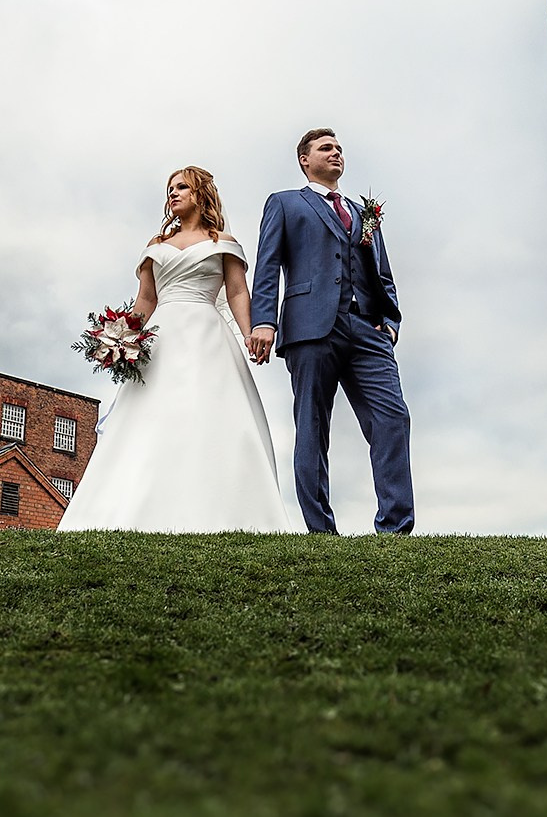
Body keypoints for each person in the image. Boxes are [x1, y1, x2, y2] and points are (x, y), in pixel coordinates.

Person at [57, 167, 302, 533]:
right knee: (150, 418)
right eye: (170, 189)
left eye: (181, 187)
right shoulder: (155, 246)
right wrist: (121, 340)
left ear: (200, 193)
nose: (173, 194)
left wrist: (251, 334)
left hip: (208, 333)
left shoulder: (223, 242)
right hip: (161, 337)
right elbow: (146, 299)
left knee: (211, 414)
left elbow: (236, 292)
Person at [248, 129, 415, 534]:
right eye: (326, 148)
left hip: (368, 331)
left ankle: (395, 528)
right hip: (310, 326)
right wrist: (263, 321)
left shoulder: (362, 212)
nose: (336, 153)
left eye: (339, 148)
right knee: (312, 427)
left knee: (394, 417)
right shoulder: (285, 203)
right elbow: (267, 265)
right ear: (305, 160)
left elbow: (383, 273)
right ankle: (321, 530)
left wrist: (389, 325)